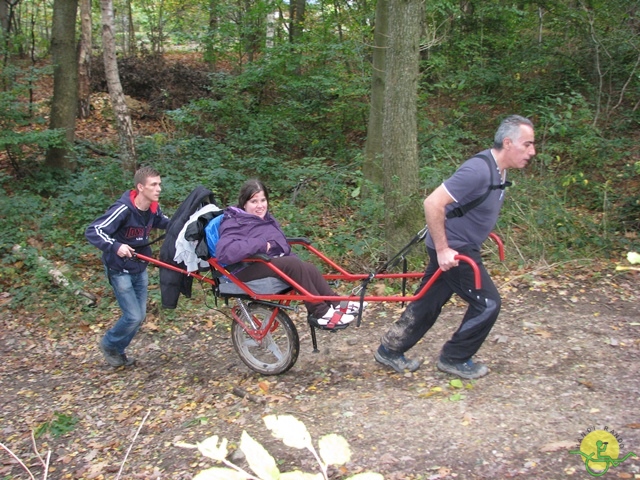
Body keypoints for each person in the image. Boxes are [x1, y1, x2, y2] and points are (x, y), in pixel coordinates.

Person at [375, 115, 536, 378]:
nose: (532, 151)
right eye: (527, 144)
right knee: (487, 303)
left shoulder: (499, 170)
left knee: (428, 302)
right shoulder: (478, 170)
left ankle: (389, 350)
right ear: (508, 142)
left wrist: (484, 230)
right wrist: (443, 250)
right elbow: (432, 203)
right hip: (455, 250)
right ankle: (454, 358)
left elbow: (470, 208)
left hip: (459, 244)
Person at [216, 179, 364, 328]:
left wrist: (299, 266)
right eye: (254, 201)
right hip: (243, 269)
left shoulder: (266, 219)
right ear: (244, 203)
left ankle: (336, 303)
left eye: (263, 200)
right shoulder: (234, 222)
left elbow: (279, 246)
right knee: (292, 264)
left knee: (308, 267)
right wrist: (261, 244)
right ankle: (320, 313)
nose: (260, 206)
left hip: (264, 262)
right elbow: (224, 252)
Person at [86, 166, 170, 367]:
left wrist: (185, 222)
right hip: (119, 269)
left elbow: (165, 222)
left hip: (139, 267)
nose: (159, 188)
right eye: (154, 185)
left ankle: (117, 350)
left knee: (138, 317)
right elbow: (94, 230)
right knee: (133, 316)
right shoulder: (123, 209)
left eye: (159, 184)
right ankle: (109, 344)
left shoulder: (152, 209)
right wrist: (116, 246)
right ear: (141, 187)